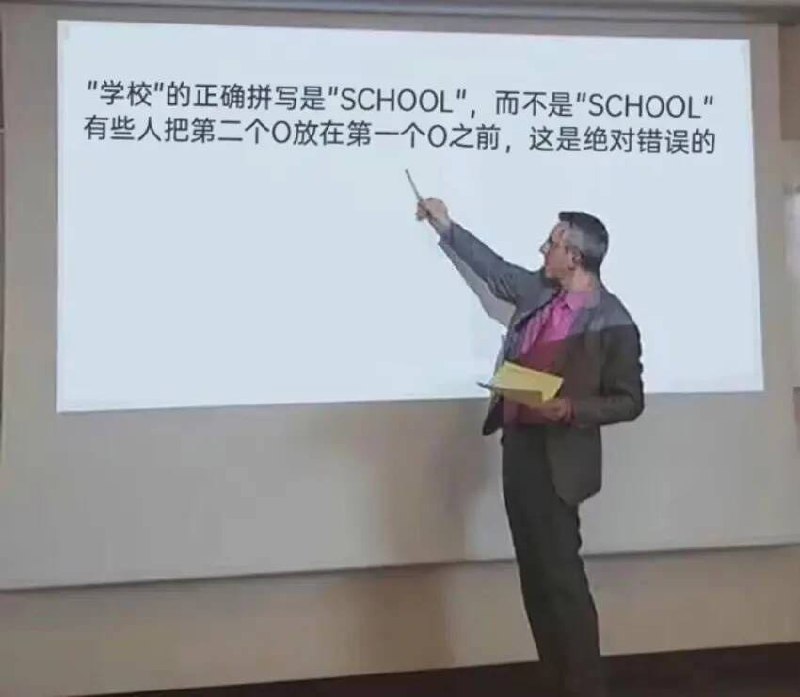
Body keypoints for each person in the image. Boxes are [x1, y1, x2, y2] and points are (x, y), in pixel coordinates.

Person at [416, 198, 645, 697]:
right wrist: (445, 225)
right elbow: (494, 270)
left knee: (561, 578)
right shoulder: (539, 290)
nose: (543, 249)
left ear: (576, 257)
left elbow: (630, 400)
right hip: (519, 446)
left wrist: (570, 408)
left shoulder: (613, 320)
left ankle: (585, 687)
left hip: (560, 458)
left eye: (553, 243)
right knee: (535, 578)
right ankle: (555, 681)